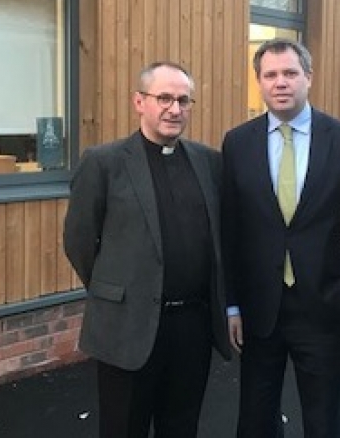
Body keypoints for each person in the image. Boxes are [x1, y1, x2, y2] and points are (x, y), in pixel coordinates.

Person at [63, 62, 231, 437]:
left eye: (184, 101)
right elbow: (78, 241)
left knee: (181, 426)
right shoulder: (104, 162)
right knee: (124, 428)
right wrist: (114, 291)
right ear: (140, 102)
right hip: (128, 325)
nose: (175, 109)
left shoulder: (209, 162)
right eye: (165, 98)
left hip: (192, 326)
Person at [222, 38, 340, 437]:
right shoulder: (237, 143)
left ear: (308, 78)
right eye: (270, 75)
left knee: (325, 421)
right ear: (259, 82)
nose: (280, 82)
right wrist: (232, 305)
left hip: (322, 307)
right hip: (258, 311)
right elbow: (229, 233)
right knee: (255, 420)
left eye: (290, 73)